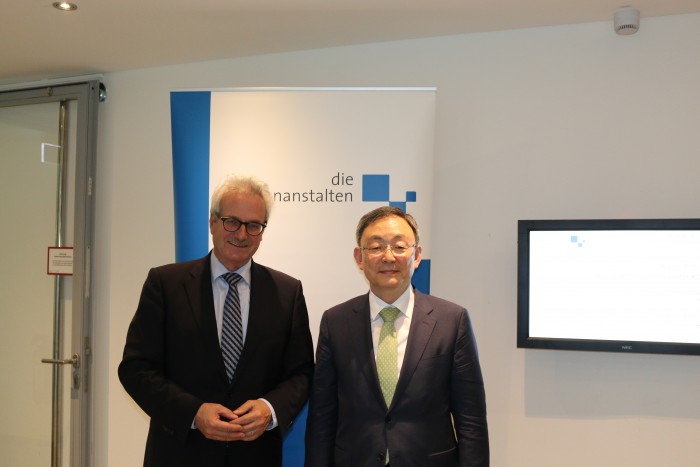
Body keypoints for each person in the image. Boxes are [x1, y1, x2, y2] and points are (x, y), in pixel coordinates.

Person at [119, 174, 314, 467]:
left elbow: (301, 374)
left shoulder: (288, 292)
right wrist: (193, 412)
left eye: (254, 225)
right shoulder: (165, 284)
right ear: (212, 222)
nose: (242, 234)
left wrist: (269, 409)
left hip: (255, 457)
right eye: (231, 222)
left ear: (263, 231)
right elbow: (136, 369)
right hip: (180, 455)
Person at [305, 206, 489, 466]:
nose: (388, 257)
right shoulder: (336, 322)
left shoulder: (451, 321)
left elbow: (471, 419)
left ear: (417, 255)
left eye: (400, 246)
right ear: (359, 257)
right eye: (376, 247)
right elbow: (322, 417)